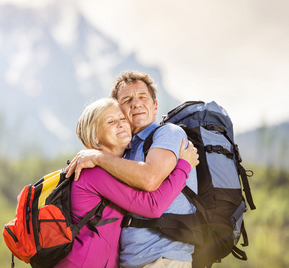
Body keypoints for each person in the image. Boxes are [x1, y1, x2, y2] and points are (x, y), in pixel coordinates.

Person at [66, 71, 198, 268]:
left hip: (162, 257)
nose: (136, 103)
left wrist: (98, 156)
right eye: (127, 100)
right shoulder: (117, 157)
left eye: (142, 97)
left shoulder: (168, 133)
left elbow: (150, 179)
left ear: (155, 106)